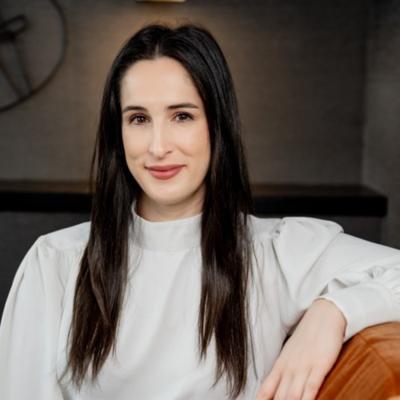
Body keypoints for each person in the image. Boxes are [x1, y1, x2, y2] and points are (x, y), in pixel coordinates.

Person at [0, 21, 400, 400]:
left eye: (182, 116)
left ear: (217, 125)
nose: (158, 146)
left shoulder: (278, 251)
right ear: (117, 133)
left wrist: (335, 312)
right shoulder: (56, 262)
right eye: (138, 118)